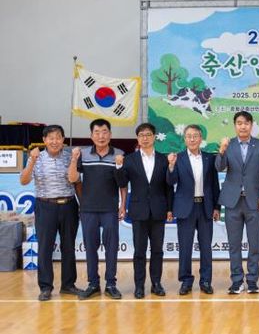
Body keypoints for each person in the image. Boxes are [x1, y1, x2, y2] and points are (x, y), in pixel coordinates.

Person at [20, 125, 82, 301]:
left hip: (68, 205)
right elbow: (24, 180)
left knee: (68, 246)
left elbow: (75, 180)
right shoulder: (36, 157)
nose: (55, 141)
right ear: (44, 140)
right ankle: (45, 287)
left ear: (63, 139)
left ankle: (68, 285)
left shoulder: (70, 156)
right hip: (45, 206)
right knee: (45, 247)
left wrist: (74, 159)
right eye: (51, 138)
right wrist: (31, 161)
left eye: (58, 137)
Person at [68, 118, 127, 300]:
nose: (101, 136)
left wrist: (123, 205)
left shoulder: (119, 154)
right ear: (91, 135)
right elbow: (73, 179)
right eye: (97, 132)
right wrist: (73, 158)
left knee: (111, 247)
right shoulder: (83, 154)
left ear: (110, 134)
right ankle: (93, 283)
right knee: (90, 247)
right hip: (88, 210)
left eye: (104, 132)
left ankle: (111, 284)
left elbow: (123, 183)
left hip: (110, 209)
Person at [115, 123, 173, 299]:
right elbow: (122, 183)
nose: (145, 138)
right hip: (138, 211)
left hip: (158, 210)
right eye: (141, 135)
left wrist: (170, 209)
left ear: (154, 137)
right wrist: (118, 167)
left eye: (148, 134)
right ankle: (139, 286)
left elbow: (168, 187)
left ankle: (156, 284)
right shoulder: (129, 159)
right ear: (137, 138)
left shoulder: (163, 159)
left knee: (157, 250)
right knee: (139, 251)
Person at [215, 111, 259, 294]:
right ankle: (237, 281)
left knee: (254, 244)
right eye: (239, 123)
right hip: (233, 202)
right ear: (235, 125)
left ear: (251, 125)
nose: (243, 126)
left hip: (254, 202)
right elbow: (219, 167)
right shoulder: (228, 145)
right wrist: (222, 149)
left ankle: (252, 280)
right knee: (234, 245)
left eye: (246, 123)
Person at [167, 125, 220, 295]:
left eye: (195, 136)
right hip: (185, 209)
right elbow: (171, 182)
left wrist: (217, 207)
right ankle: (186, 281)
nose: (192, 139)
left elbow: (214, 184)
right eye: (189, 136)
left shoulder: (209, 158)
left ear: (200, 138)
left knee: (206, 247)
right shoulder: (178, 158)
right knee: (185, 247)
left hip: (205, 207)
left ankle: (205, 281)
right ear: (184, 139)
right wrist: (171, 166)